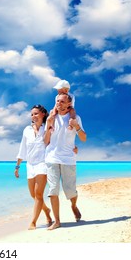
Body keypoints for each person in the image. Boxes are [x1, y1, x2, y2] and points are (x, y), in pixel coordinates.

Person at [44, 93, 87, 230]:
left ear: (69, 104)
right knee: (52, 190)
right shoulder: (51, 118)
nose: (59, 104)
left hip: (68, 159)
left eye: (62, 101)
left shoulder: (75, 118)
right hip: (51, 158)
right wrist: (48, 128)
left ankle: (73, 205)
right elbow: (46, 142)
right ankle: (57, 221)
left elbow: (84, 138)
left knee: (70, 191)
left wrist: (76, 126)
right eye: (57, 101)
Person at [15, 104, 53, 230]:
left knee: (38, 193)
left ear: (43, 114)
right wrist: (17, 166)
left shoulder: (47, 128)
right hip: (30, 165)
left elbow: (54, 143)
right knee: (33, 195)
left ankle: (33, 222)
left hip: (42, 164)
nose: (33, 116)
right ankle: (47, 211)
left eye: (36, 113)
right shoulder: (27, 130)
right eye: (32, 114)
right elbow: (22, 149)